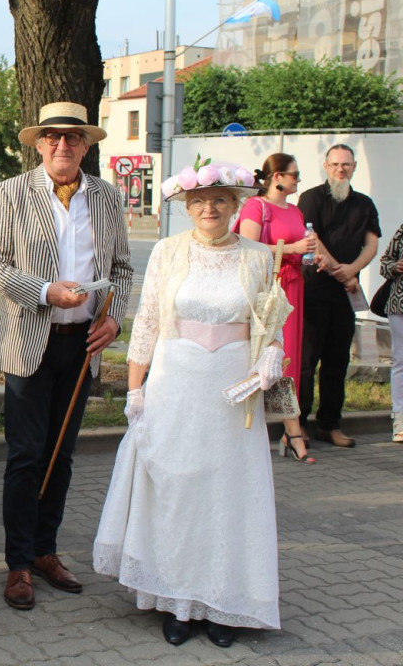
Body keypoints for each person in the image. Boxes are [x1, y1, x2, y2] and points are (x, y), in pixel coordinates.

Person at [94, 164, 286, 648]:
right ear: (185, 206)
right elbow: (147, 322)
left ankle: (225, 602)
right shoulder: (167, 251)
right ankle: (175, 598)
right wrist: (135, 389)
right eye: (199, 201)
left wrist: (269, 362)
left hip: (231, 390)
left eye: (219, 199)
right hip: (175, 382)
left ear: (236, 204)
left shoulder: (260, 257)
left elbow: (271, 327)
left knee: (226, 494)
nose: (209, 209)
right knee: (177, 489)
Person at [0, 101, 132, 611]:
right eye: (53, 137)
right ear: (39, 143)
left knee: (61, 456)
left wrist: (112, 317)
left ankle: (46, 551)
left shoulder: (107, 198)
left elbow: (123, 269)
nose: (62, 145)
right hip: (28, 341)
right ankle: (18, 562)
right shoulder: (11, 192)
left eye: (73, 137)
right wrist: (44, 291)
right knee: (25, 456)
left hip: (82, 343)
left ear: (87, 145)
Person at [233, 152, 316, 463]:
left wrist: (310, 250)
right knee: (264, 354)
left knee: (289, 358)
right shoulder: (257, 206)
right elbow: (247, 247)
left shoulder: (295, 211)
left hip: (294, 286)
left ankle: (290, 430)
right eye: (293, 174)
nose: (297, 180)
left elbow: (299, 245)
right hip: (268, 288)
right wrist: (291, 248)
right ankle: (289, 432)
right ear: (277, 177)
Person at [297, 144, 380, 447]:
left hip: (346, 291)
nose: (340, 170)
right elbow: (310, 236)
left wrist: (352, 270)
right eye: (335, 165)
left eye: (346, 165)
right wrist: (337, 269)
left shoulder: (364, 204)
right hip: (315, 289)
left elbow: (371, 244)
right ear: (325, 166)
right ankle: (300, 424)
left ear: (354, 167)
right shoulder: (312, 198)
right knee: (307, 360)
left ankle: (330, 424)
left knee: (338, 360)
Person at [378, 224, 403, 442]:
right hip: (399, 305)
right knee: (400, 361)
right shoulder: (402, 230)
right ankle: (400, 420)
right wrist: (395, 266)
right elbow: (384, 263)